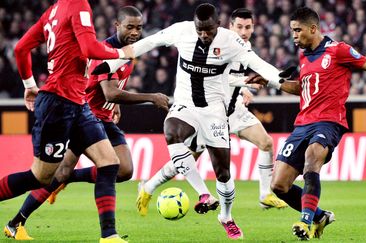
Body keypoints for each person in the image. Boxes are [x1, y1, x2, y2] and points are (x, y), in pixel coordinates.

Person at [93, 3, 286, 240]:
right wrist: (111, 62)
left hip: (214, 111)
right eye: (199, 30)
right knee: (171, 130)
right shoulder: (182, 30)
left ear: (217, 26)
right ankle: (204, 194)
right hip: (185, 104)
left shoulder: (231, 42)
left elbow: (259, 64)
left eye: (208, 31)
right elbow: (148, 42)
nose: (204, 35)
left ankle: (226, 216)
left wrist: (279, 78)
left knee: (223, 173)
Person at [246, 6, 366, 241]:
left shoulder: (338, 50)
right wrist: (273, 82)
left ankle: (305, 221)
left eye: (297, 30)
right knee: (279, 186)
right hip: (302, 123)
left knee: (312, 159)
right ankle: (320, 216)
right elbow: (303, 89)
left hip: (329, 122)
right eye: (291, 31)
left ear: (313, 29)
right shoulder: (304, 55)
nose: (293, 36)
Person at [3, 6, 169, 241]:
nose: (134, 32)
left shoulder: (54, 11)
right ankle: (16, 222)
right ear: (117, 26)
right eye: (129, 27)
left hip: (88, 111)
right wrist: (150, 97)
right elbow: (108, 89)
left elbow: (111, 90)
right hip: (71, 106)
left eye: (138, 28)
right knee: (46, 176)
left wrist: (29, 84)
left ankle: (108, 235)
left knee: (119, 168)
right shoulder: (108, 46)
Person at [135, 8, 288, 220]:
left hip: (234, 111)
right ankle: (148, 187)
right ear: (228, 27)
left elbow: (232, 76)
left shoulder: (244, 48)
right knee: (186, 161)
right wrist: (245, 84)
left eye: (248, 27)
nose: (244, 32)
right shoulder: (221, 44)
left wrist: (250, 83)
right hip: (211, 112)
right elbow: (220, 77)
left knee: (266, 143)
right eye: (239, 27)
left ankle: (264, 194)